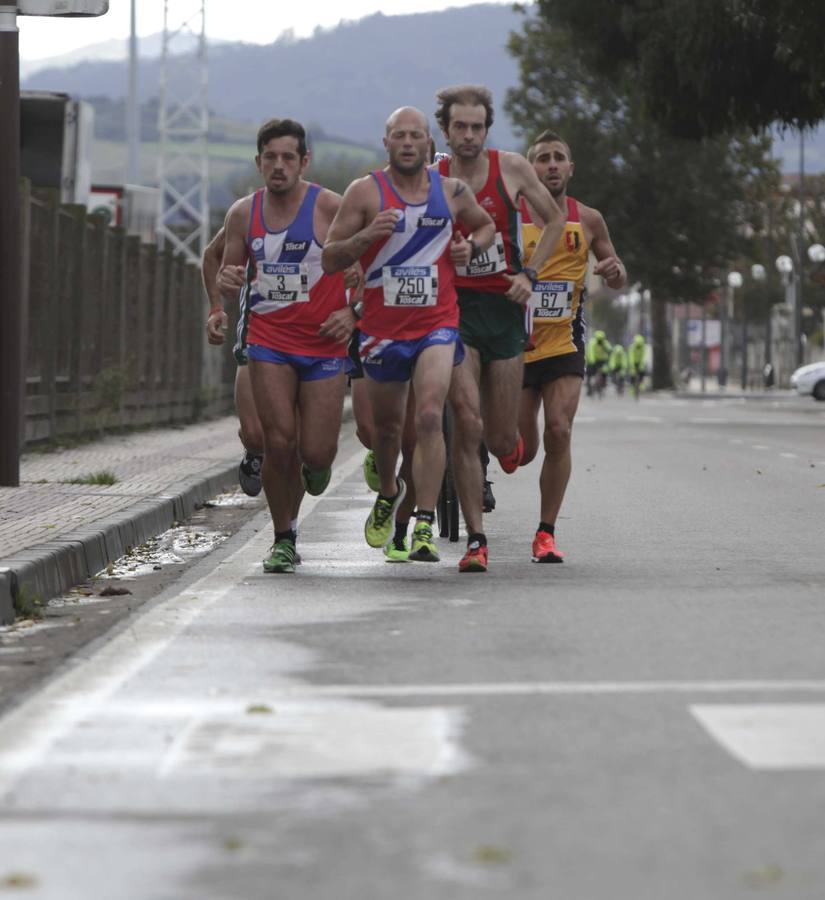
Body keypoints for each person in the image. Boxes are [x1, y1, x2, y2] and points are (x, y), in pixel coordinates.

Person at [322, 106, 495, 564]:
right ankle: (390, 490)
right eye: (398, 135)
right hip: (381, 331)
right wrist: (365, 238)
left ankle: (422, 523)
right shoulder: (364, 192)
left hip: (437, 323)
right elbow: (329, 258)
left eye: (415, 135)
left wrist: (469, 247)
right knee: (388, 433)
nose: (407, 143)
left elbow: (485, 225)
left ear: (427, 143)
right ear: (387, 143)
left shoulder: (452, 191)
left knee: (429, 416)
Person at [434, 84, 566, 572]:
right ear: (444, 130)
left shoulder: (511, 168)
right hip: (454, 310)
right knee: (467, 423)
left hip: (506, 310)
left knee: (499, 437)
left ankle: (504, 448)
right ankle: (476, 540)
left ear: (487, 130)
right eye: (459, 127)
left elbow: (552, 220)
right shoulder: (434, 178)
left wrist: (529, 274)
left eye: (477, 127)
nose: (468, 135)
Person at [220, 117, 354, 574]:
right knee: (279, 442)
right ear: (258, 162)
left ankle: (315, 469)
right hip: (269, 341)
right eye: (270, 158)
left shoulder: (330, 208)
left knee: (316, 454)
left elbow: (373, 261)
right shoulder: (243, 213)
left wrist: (352, 313)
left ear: (304, 162)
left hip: (322, 344)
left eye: (288, 158)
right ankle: (283, 537)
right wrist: (226, 282)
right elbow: (228, 269)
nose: (279, 166)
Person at [518, 130, 626, 563]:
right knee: (518, 452)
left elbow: (617, 274)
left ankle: (545, 532)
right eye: (542, 158)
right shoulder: (513, 214)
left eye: (559, 157)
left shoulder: (590, 219)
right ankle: (490, 458)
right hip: (517, 344)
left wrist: (614, 270)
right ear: (531, 169)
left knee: (559, 430)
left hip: (565, 340)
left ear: (571, 168)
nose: (552, 165)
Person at [203, 227, 265, 497]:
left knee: (302, 445)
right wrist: (217, 307)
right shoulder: (249, 213)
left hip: (306, 340)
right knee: (255, 435)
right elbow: (210, 255)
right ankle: (254, 451)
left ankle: (287, 531)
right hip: (257, 335)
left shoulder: (323, 207)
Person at [585, 330, 612, 396]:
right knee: (589, 374)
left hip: (601, 360)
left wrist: (609, 351)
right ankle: (589, 389)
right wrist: (592, 361)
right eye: (599, 340)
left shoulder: (604, 343)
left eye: (601, 340)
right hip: (592, 360)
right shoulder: (592, 343)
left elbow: (609, 349)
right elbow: (591, 353)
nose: (600, 341)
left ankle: (603, 384)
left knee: (605, 371)